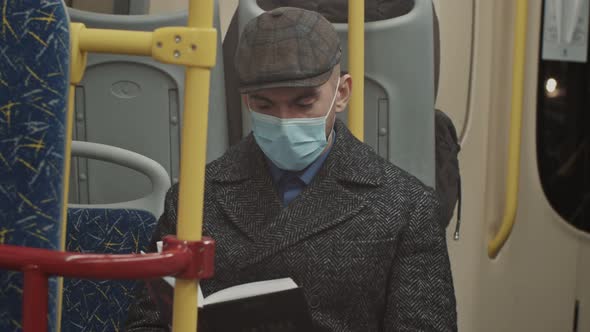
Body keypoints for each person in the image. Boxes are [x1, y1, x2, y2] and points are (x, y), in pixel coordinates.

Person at [125, 6, 456, 332]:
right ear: (246, 101)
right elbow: (147, 322)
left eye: (303, 103)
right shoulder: (194, 198)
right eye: (265, 105)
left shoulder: (406, 207)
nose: (284, 122)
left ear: (341, 93)